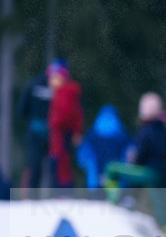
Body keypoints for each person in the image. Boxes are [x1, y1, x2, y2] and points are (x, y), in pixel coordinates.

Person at [106, 92, 166, 234]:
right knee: (163, 209)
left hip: (150, 172)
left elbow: (139, 157)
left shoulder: (146, 131)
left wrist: (133, 161)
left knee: (112, 169)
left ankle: (115, 198)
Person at [46, 59, 84, 189]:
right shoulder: (63, 92)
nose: (50, 80)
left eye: (53, 77)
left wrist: (55, 122)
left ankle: (62, 193)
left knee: (60, 165)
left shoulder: (65, 92)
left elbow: (67, 114)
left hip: (62, 134)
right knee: (62, 164)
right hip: (62, 134)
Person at [77, 104, 132, 191]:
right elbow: (130, 154)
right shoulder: (123, 135)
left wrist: (86, 166)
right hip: (117, 181)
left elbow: (82, 156)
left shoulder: (91, 135)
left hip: (95, 181)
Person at [16, 66, 52, 192]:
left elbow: (21, 110)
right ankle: (55, 196)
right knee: (53, 166)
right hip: (52, 133)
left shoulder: (32, 84)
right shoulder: (57, 87)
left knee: (33, 165)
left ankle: (30, 195)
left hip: (34, 131)